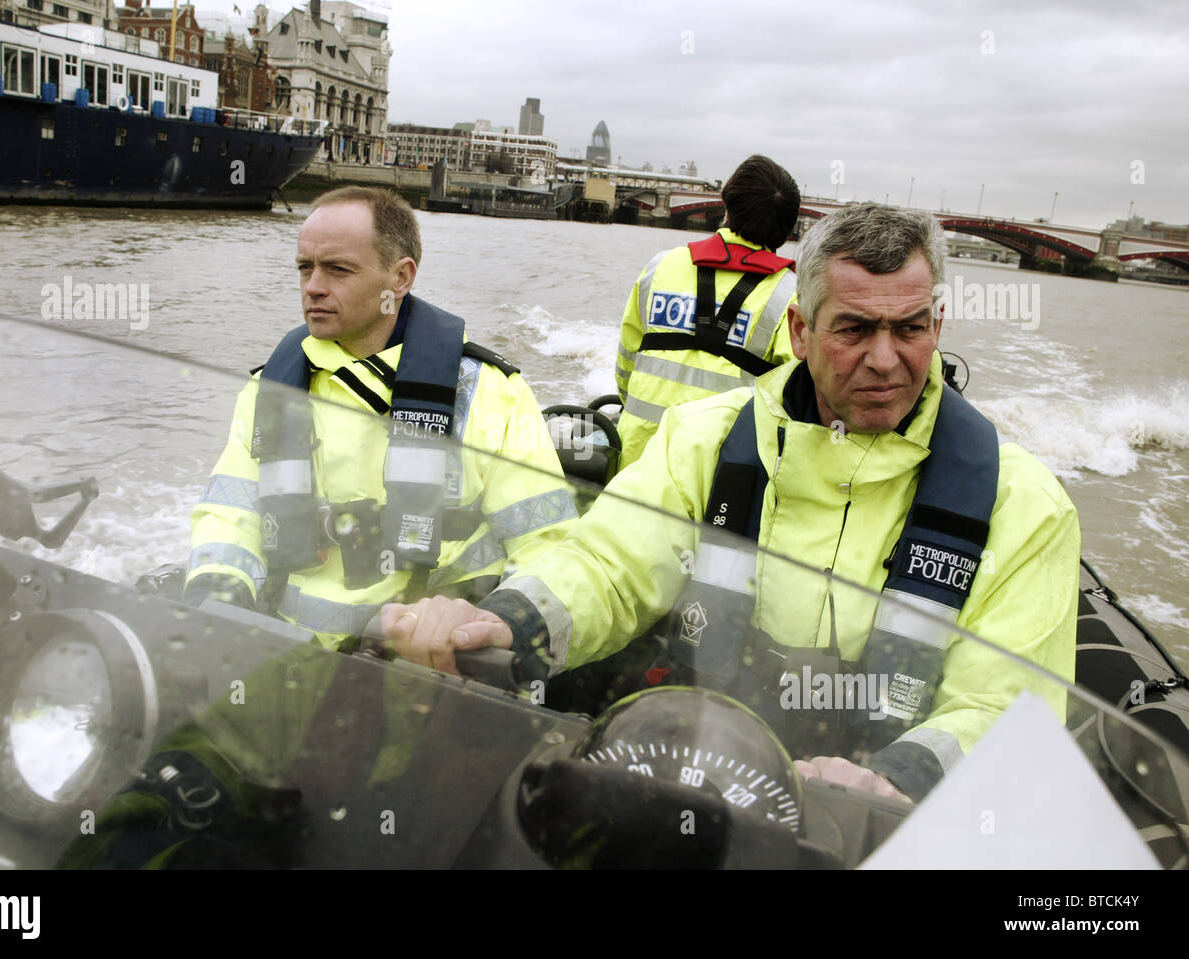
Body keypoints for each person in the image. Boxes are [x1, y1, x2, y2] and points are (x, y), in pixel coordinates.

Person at [384, 202, 1080, 803]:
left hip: (877, 819)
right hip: (693, 769)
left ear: (939, 323)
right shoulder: (705, 438)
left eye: (910, 328)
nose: (884, 358)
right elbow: (608, 564)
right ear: (801, 332)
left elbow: (1006, 703)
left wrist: (901, 780)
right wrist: (506, 622)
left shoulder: (1025, 506)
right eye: (855, 329)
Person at [184, 186, 577, 646]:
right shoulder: (270, 387)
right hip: (286, 657)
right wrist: (218, 599)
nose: (313, 286)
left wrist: (488, 628)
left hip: (430, 666)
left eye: (337, 269)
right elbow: (230, 514)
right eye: (304, 268)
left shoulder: (490, 392)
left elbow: (546, 546)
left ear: (400, 278)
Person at [614, 154, 802, 470]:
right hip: (718, 477)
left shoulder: (659, 266)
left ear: (726, 206)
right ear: (787, 229)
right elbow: (794, 401)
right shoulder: (791, 296)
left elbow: (626, 362)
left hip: (635, 460)